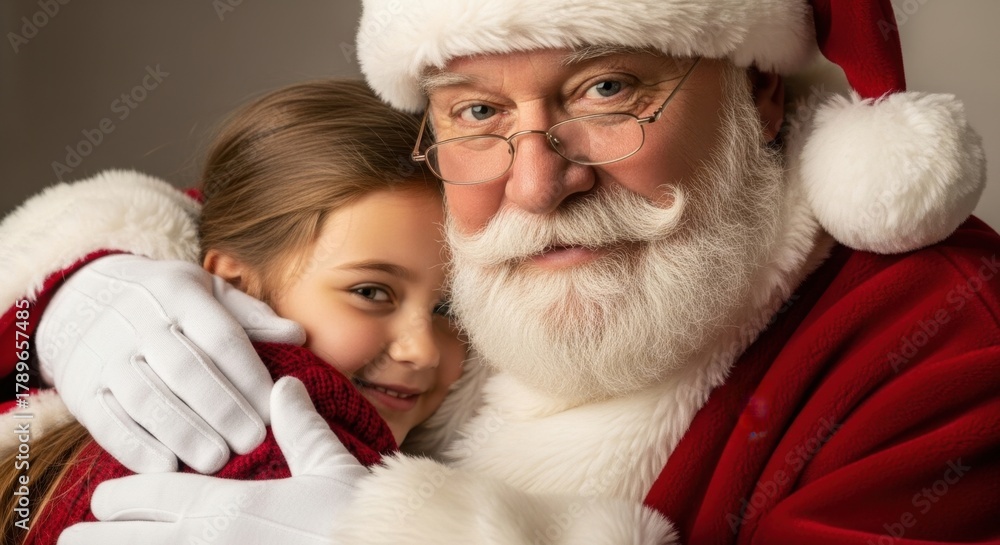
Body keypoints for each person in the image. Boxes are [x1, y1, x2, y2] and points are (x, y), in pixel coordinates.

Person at [1, 0, 998, 543]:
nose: (534, 181)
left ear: (761, 94)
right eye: (476, 109)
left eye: (609, 89)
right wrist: (71, 289)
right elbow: (261, 223)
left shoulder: (942, 336)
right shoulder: (440, 235)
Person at [0, 79, 468, 544]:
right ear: (237, 286)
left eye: (449, 306)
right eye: (370, 291)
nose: (422, 351)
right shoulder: (260, 462)